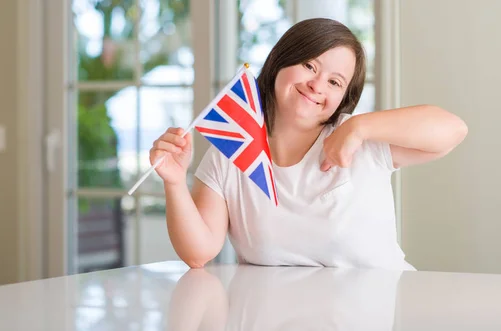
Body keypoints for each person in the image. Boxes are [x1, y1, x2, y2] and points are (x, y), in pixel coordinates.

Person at [150, 18, 468, 269]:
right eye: (309, 66)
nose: (316, 85)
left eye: (334, 82)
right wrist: (175, 183)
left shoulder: (361, 141)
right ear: (279, 63)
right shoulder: (233, 150)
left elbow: (453, 130)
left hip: (378, 314)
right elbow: (198, 253)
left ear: (344, 97)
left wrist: (358, 126)